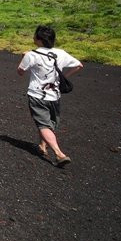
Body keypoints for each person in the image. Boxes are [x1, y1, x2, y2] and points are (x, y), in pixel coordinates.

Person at [17, 25, 83, 167]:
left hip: (37, 94)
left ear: (39, 40)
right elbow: (79, 65)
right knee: (50, 123)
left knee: (43, 124)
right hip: (55, 95)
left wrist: (23, 58)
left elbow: (20, 71)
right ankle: (42, 145)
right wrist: (63, 77)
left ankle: (59, 154)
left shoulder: (31, 55)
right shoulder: (61, 53)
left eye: (35, 35)